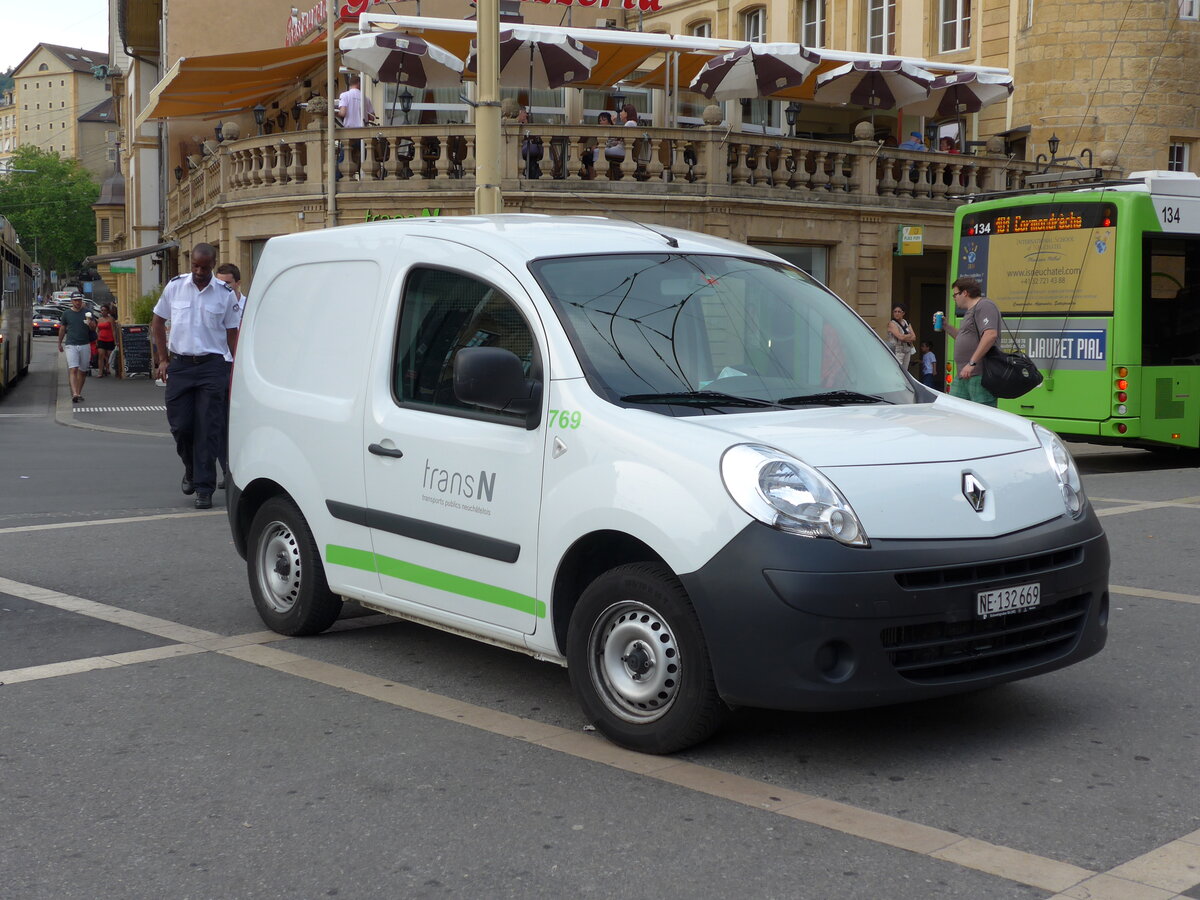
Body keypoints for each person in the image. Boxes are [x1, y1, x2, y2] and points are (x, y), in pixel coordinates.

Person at [151, 243, 241, 509]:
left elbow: (232, 333)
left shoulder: (225, 294)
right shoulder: (175, 287)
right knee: (181, 427)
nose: (199, 271)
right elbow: (157, 321)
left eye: (204, 266)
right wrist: (163, 359)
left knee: (207, 428)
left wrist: (235, 366)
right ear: (190, 264)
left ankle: (204, 488)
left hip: (212, 367)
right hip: (180, 366)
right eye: (195, 266)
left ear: (213, 264)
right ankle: (190, 470)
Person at [942, 276, 1001, 407]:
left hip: (979, 375)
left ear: (965, 293)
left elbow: (990, 334)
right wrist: (946, 326)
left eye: (955, 294)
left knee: (983, 416)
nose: (954, 298)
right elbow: (963, 338)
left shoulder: (985, 305)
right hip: (963, 374)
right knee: (954, 411)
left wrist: (972, 363)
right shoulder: (969, 312)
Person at [213, 262, 245, 489]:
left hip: (246, 372)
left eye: (227, 283)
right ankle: (227, 470)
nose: (223, 288)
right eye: (219, 283)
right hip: (222, 368)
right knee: (221, 424)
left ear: (237, 283)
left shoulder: (251, 306)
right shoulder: (214, 304)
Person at [57, 294, 92, 403]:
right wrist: (59, 343)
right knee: (73, 368)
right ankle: (75, 393)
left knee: (83, 371)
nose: (78, 302)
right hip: (71, 344)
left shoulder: (87, 313)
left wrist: (90, 323)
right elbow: (62, 329)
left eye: (79, 300)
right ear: (72, 301)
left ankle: (78, 392)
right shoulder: (67, 313)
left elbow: (94, 328)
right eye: (75, 300)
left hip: (85, 344)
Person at [886, 304, 917, 370]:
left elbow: (914, 337)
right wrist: (909, 335)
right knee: (897, 370)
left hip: (907, 350)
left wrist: (905, 337)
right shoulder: (892, 324)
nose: (897, 313)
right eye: (895, 311)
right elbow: (900, 337)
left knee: (905, 371)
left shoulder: (906, 322)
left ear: (903, 313)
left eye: (899, 312)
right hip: (897, 351)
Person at [95, 304, 117, 377]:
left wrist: (115, 340)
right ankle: (100, 372)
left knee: (109, 355)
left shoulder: (111, 319)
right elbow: (97, 330)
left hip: (109, 339)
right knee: (101, 355)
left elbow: (113, 330)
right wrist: (96, 340)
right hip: (101, 339)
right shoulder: (99, 319)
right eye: (102, 310)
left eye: (104, 310)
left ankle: (107, 368)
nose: (103, 312)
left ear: (108, 311)